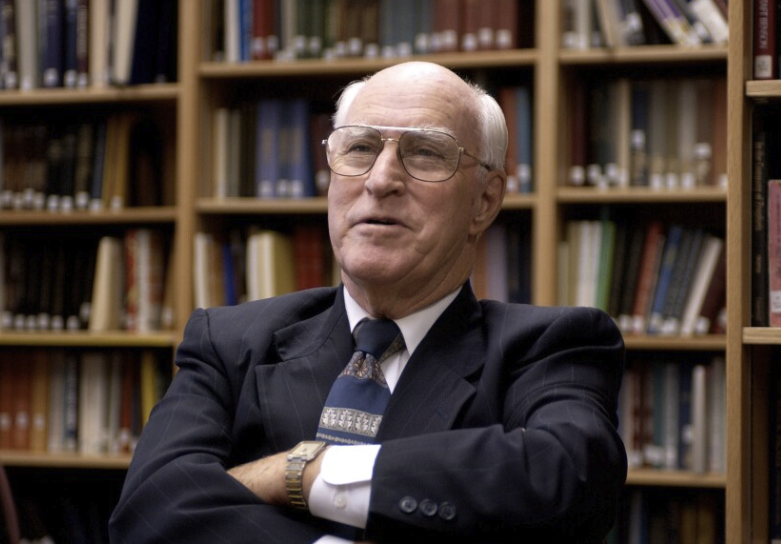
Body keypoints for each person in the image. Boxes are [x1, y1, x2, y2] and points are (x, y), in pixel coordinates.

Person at [109, 61, 627, 544]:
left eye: (425, 152)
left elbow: (567, 475)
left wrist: (301, 472)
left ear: (484, 201)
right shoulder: (229, 341)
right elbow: (150, 509)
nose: (380, 180)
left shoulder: (550, 347)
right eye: (359, 148)